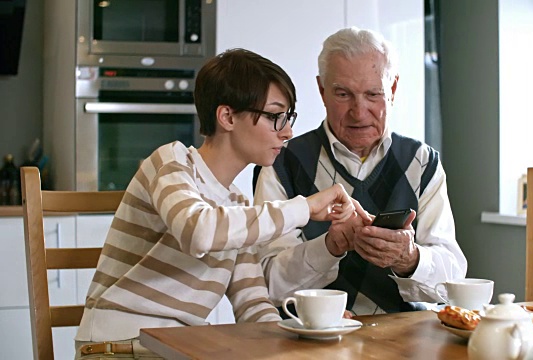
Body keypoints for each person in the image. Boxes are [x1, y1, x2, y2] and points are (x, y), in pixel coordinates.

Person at [74, 48, 368, 359]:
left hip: (174, 350)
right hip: (117, 348)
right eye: (275, 117)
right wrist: (304, 208)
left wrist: (309, 329)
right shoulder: (172, 162)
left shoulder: (236, 207)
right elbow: (197, 230)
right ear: (227, 117)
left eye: (288, 117)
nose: (288, 132)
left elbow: (252, 303)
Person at [253, 27, 467, 316]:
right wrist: (329, 247)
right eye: (343, 94)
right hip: (314, 340)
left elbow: (453, 277)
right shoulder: (282, 162)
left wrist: (409, 258)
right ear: (322, 91)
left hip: (405, 341)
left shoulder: (422, 162)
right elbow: (267, 282)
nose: (359, 111)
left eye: (373, 94)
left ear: (392, 90)